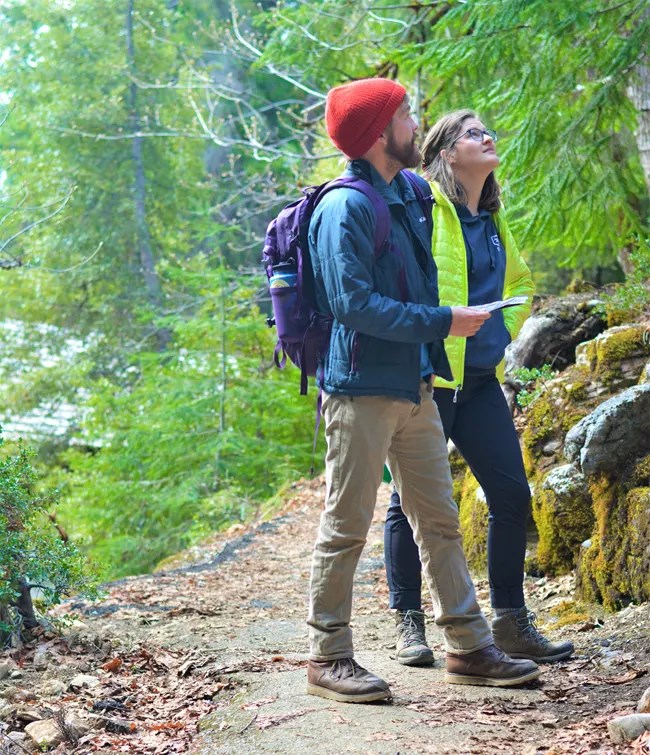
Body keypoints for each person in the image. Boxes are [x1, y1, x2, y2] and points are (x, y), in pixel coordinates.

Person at [306, 79, 541, 704]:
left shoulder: (409, 194)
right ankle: (328, 656)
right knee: (346, 525)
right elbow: (351, 304)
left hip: (416, 386)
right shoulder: (345, 208)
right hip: (359, 391)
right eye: (406, 115)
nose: (418, 123)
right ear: (378, 134)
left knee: (437, 520)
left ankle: (467, 645)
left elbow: (431, 274)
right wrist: (444, 324)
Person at [383, 110, 574, 668]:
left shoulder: (491, 218)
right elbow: (404, 281)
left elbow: (521, 283)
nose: (488, 137)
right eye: (473, 133)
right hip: (429, 380)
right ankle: (409, 623)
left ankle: (511, 622)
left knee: (512, 495)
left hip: (482, 382)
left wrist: (502, 333)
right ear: (446, 153)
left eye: (488, 131)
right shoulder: (426, 209)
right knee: (405, 504)